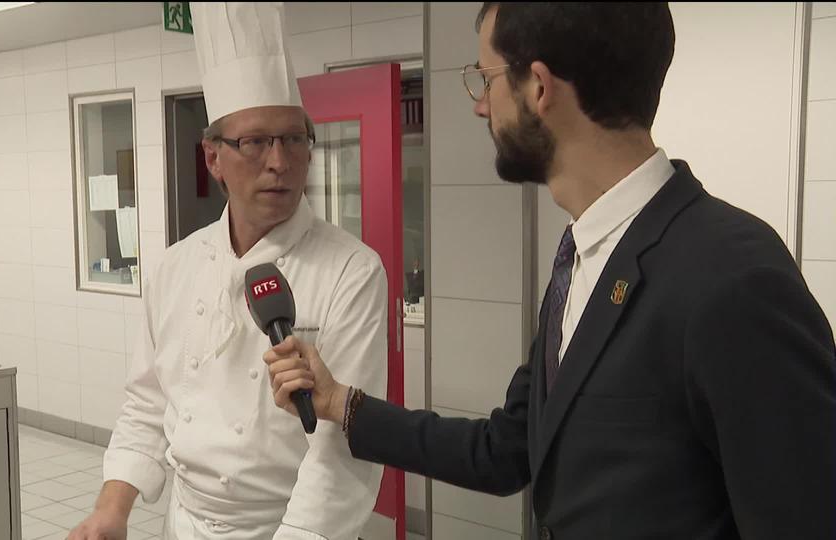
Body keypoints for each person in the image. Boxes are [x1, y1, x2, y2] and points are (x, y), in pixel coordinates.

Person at [264, 3, 836, 539]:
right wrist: (339, 401)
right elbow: (507, 449)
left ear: (538, 87)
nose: (480, 105)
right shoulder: (580, 257)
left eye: (485, 79)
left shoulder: (732, 277)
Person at [68, 3, 387, 539]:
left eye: (293, 139)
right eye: (255, 142)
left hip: (290, 528)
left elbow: (342, 450)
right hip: (186, 526)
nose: (279, 162)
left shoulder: (351, 271)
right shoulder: (176, 266)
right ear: (213, 158)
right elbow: (148, 402)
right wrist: (112, 506)